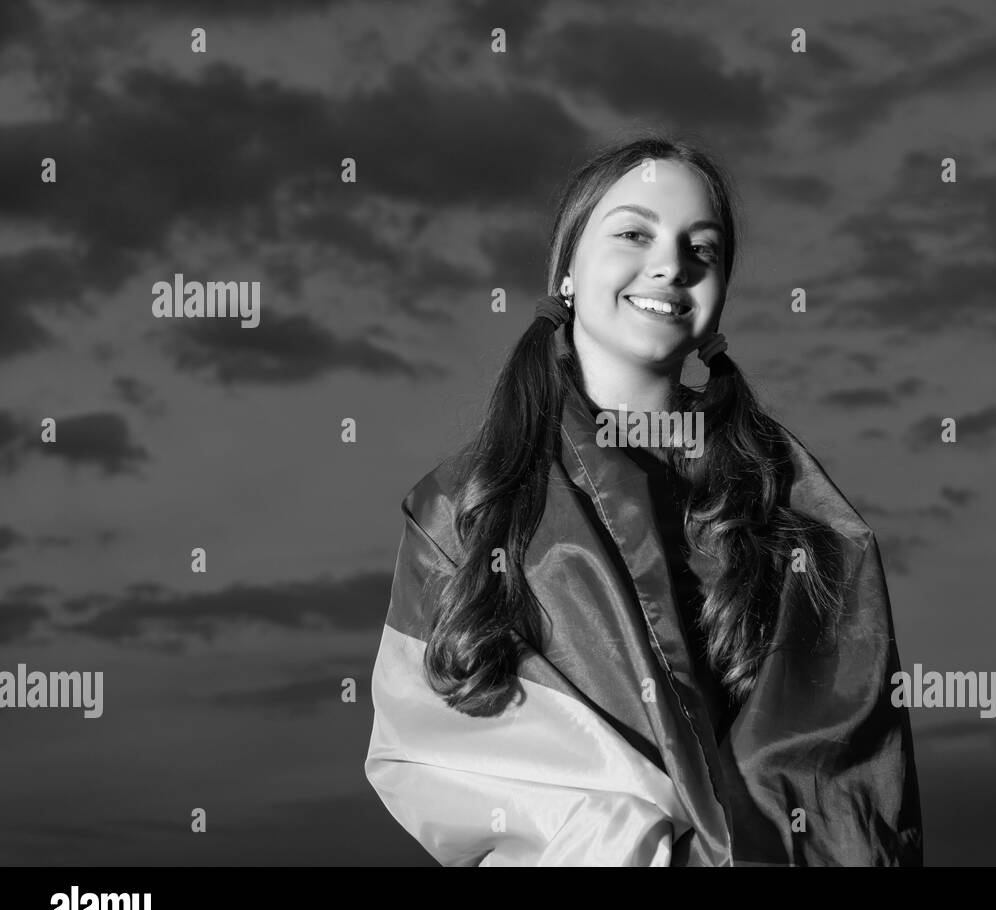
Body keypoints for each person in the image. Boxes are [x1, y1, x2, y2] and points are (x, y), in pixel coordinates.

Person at [364, 135, 923, 866]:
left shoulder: (788, 492)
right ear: (567, 272)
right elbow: (435, 751)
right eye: (634, 233)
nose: (670, 264)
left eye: (704, 248)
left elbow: (837, 756)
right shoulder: (462, 506)